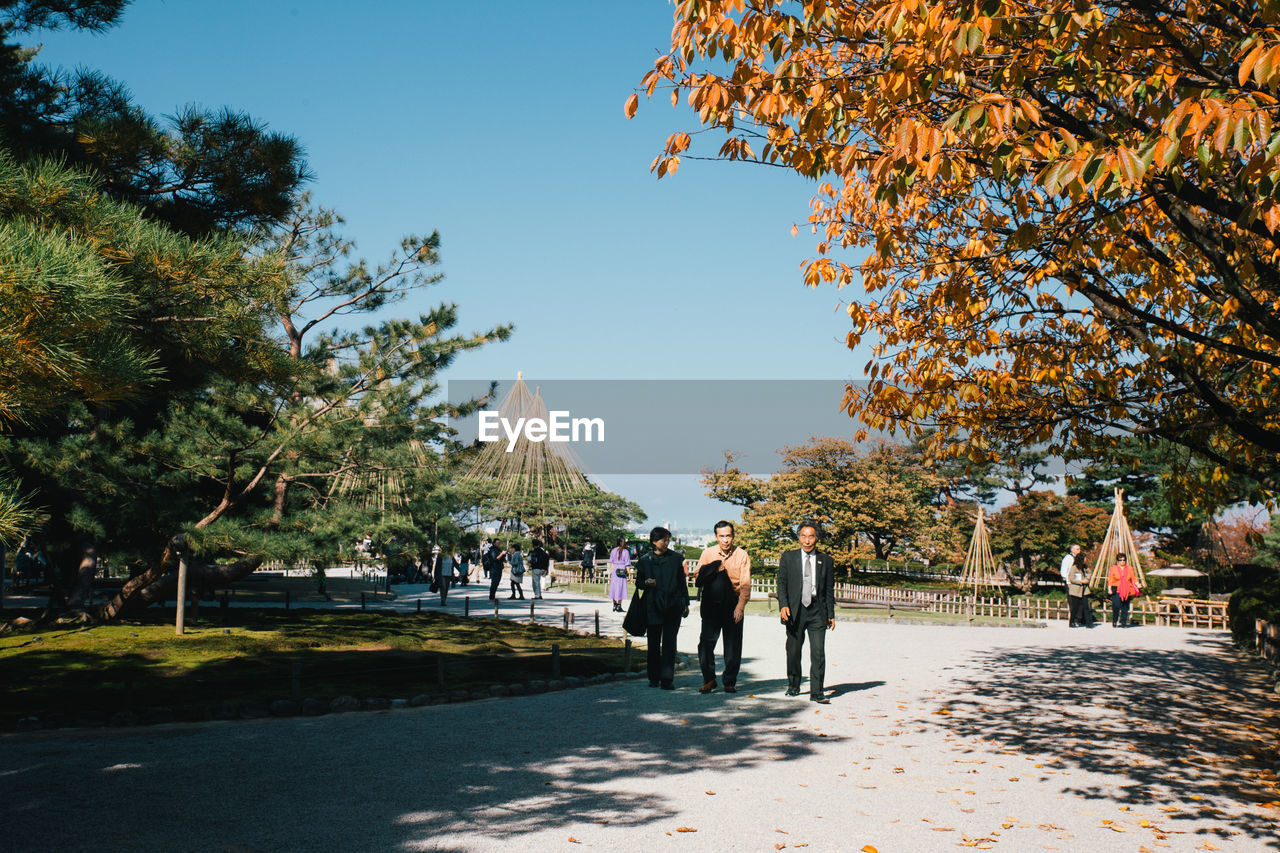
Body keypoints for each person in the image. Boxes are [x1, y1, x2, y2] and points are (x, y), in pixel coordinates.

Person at [777, 521, 836, 703]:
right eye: (803, 535)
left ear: (816, 538)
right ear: (799, 537)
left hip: (817, 610)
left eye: (811, 536)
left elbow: (828, 589)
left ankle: (817, 692)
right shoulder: (788, 558)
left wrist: (830, 614)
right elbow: (782, 583)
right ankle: (793, 685)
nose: (807, 540)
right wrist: (783, 605)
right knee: (793, 651)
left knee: (818, 652)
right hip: (795, 611)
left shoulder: (826, 560)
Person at [695, 520, 751, 694]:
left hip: (732, 603)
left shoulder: (742, 555)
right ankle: (709, 679)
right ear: (715, 537)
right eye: (722, 536)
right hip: (711, 604)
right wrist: (713, 569)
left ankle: (729, 681)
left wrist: (740, 607)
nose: (726, 540)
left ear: (733, 536)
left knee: (733, 645)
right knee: (705, 643)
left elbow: (745, 585)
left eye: (728, 536)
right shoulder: (707, 553)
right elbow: (698, 576)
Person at [634, 526, 689, 690]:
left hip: (673, 605)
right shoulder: (644, 560)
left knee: (670, 643)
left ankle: (667, 679)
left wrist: (685, 603)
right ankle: (653, 677)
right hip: (652, 606)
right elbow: (638, 583)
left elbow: (682, 583)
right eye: (663, 540)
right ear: (653, 541)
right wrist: (646, 583)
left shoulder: (676, 559)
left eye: (667, 540)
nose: (666, 543)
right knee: (653, 643)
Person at [1108, 552, 1142, 628]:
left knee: (1125, 607)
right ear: (1117, 561)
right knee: (1116, 605)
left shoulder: (1129, 568)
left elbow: (1133, 578)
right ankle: (1115, 620)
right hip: (1117, 589)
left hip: (1127, 589)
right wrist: (1109, 588)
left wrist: (1137, 584)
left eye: (1124, 560)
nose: (1122, 561)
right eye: (1120, 560)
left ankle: (1123, 622)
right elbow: (1110, 579)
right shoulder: (1113, 568)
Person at [1072, 550, 1095, 627]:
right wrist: (1081, 581)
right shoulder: (1074, 568)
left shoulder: (1085, 567)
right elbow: (1071, 579)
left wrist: (1087, 579)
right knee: (1075, 607)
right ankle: (1072, 621)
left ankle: (1088, 623)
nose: (1086, 560)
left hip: (1084, 590)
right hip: (1076, 590)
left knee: (1086, 607)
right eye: (1085, 558)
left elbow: (1090, 573)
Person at [1061, 544, 1083, 627]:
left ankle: (1078, 619)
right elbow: (1064, 571)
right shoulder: (1068, 558)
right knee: (1073, 602)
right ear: (1072, 550)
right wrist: (1068, 582)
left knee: (1080, 602)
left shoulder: (1079, 559)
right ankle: (1073, 620)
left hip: (1078, 581)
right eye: (1077, 549)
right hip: (1070, 583)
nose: (1079, 550)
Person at [608, 537, 631, 612]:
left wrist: (612, 571)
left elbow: (611, 562)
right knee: (621, 587)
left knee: (614, 587)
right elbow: (627, 564)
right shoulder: (625, 551)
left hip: (615, 569)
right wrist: (629, 574)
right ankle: (619, 605)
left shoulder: (613, 550)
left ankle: (614, 604)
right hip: (622, 570)